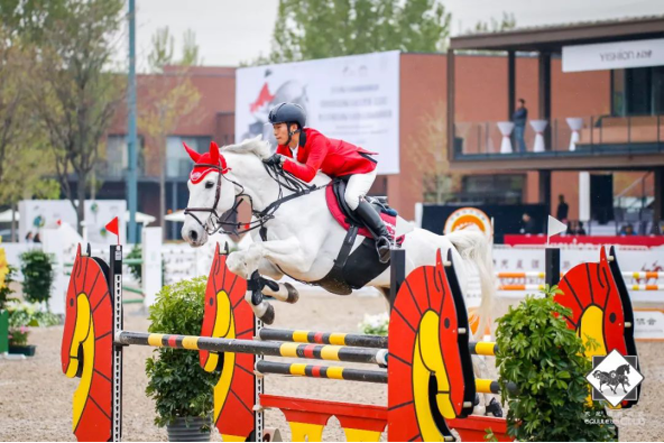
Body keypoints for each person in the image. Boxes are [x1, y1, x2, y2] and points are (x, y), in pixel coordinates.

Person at [264, 102, 392, 263]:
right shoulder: (285, 146)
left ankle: (384, 237)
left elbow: (308, 174)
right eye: (274, 128)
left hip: (360, 168)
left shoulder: (316, 140)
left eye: (278, 127)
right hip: (336, 173)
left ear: (293, 127)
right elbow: (284, 173)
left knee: (351, 198)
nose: (275, 132)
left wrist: (283, 161)